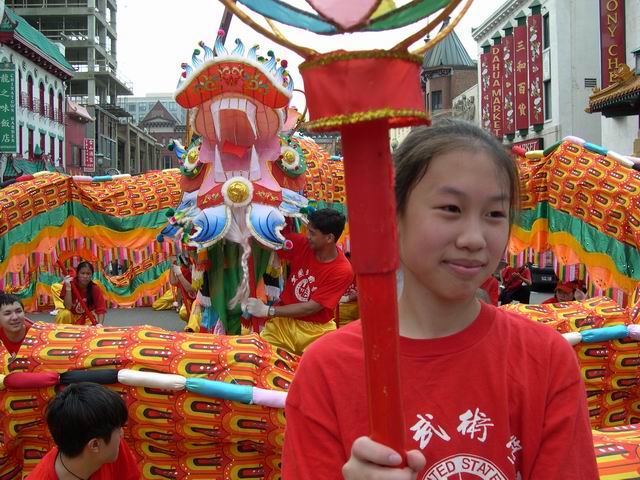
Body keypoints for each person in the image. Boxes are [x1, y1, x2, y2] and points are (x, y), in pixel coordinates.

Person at [282, 119, 598, 479]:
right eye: (451, 209)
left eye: (495, 214)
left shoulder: (545, 359)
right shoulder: (327, 370)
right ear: (392, 217)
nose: (474, 239)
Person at [242, 208, 354, 355]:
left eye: (312, 233)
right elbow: (269, 243)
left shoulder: (342, 270)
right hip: (283, 323)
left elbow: (312, 307)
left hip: (316, 331)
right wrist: (249, 222)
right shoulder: (301, 243)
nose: (307, 236)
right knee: (259, 356)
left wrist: (268, 311)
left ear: (329, 238)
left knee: (317, 366)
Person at [26, 382, 139, 480]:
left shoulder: (110, 446)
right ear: (94, 445)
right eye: (118, 430)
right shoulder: (109, 444)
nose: (122, 434)